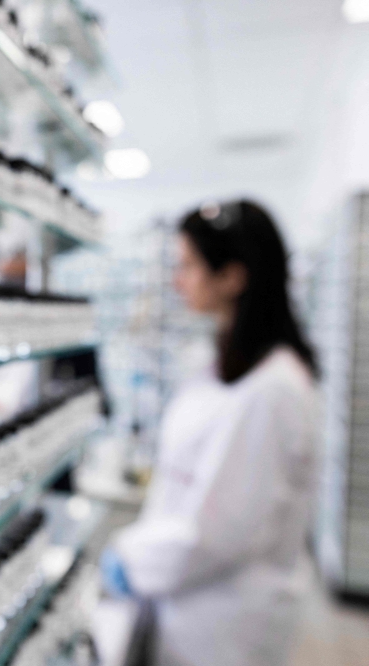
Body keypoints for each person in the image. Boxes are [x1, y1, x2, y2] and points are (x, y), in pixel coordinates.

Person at [100, 200, 320, 666]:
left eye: (188, 266)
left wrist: (132, 560)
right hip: (196, 604)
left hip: (225, 623)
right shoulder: (226, 366)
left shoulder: (272, 389)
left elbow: (220, 531)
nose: (178, 280)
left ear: (232, 278)